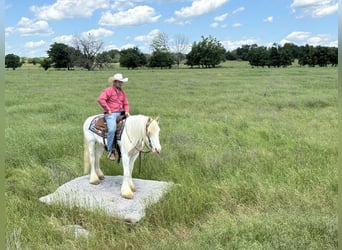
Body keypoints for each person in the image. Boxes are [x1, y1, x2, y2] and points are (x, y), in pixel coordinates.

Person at [98, 73, 130, 160]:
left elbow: (126, 103)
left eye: (121, 82)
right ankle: (110, 151)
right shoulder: (108, 90)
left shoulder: (122, 92)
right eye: (119, 82)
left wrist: (127, 111)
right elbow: (100, 99)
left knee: (131, 124)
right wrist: (107, 109)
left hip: (120, 113)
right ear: (115, 82)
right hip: (111, 114)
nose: (121, 84)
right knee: (112, 129)